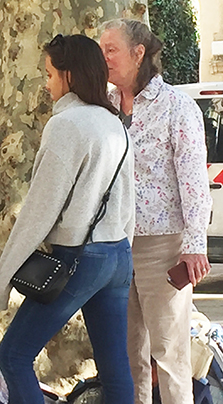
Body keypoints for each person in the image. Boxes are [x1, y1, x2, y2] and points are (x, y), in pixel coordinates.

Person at [0, 34, 135, 404]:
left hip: (78, 256)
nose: (47, 83)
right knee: (116, 367)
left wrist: (1, 283)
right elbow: (129, 200)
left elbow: (40, 210)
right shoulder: (114, 121)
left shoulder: (66, 125)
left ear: (69, 76)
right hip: (117, 252)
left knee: (13, 355)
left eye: (50, 74)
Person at [99, 19, 212, 404]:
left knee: (170, 355)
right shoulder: (104, 106)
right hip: (115, 244)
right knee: (128, 355)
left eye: (110, 50)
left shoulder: (177, 106)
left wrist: (194, 245)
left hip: (162, 246)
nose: (103, 58)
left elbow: (194, 180)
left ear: (138, 53)